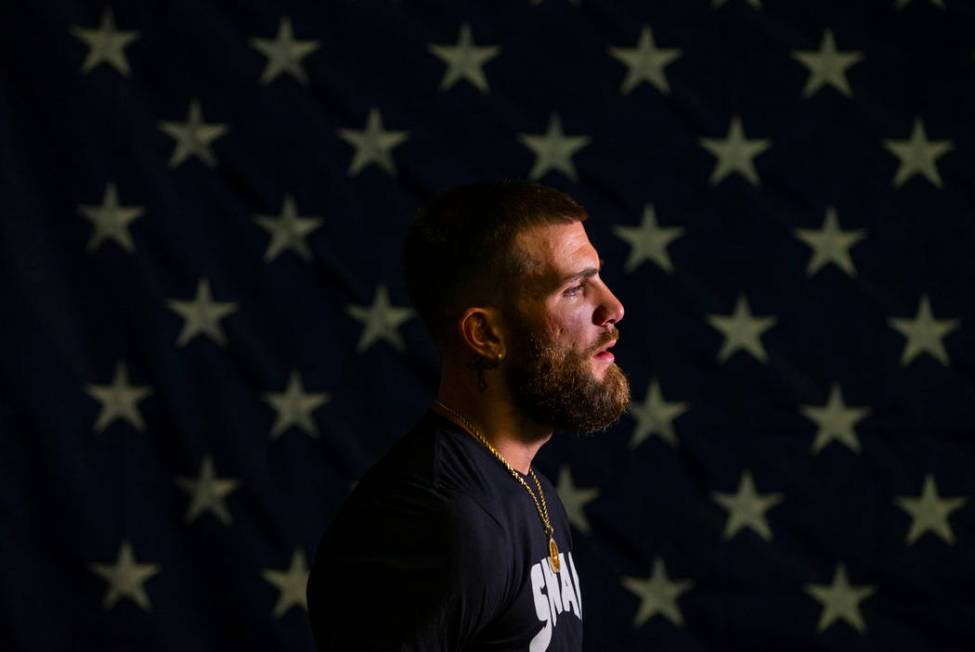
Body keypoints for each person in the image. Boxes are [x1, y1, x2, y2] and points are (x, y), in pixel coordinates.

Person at [306, 180, 630, 651]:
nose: (613, 308)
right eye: (574, 289)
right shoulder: (434, 521)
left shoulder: (529, 491)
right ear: (485, 334)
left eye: (598, 278)